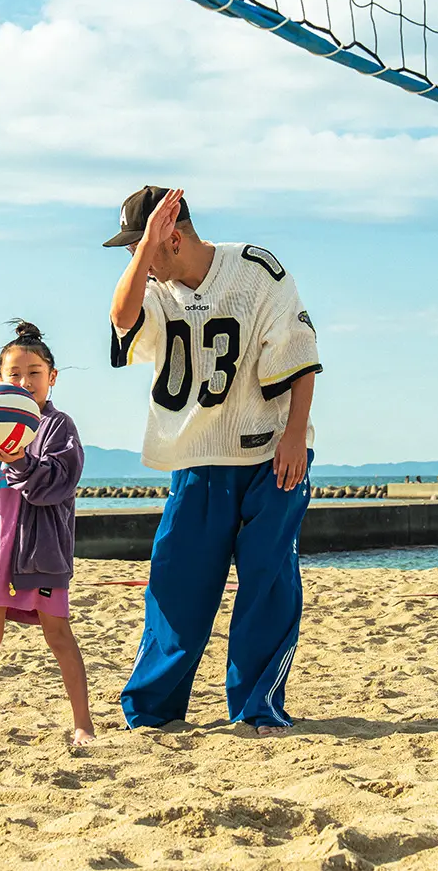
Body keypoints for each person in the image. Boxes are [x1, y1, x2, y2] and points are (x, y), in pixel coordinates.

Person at [105, 185, 321, 737]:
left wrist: (295, 435)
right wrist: (144, 251)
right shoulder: (151, 288)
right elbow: (121, 316)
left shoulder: (257, 271)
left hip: (271, 452)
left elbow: (300, 355)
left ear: (173, 238)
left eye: (143, 248)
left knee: (267, 584)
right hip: (197, 458)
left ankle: (257, 707)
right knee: (177, 583)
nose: (138, 261)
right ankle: (152, 711)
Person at [0, 321, 93, 746]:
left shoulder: (59, 427)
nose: (24, 382)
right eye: (14, 374)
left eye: (34, 373)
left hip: (40, 552)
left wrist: (20, 460)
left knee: (58, 634)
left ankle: (82, 723)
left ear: (52, 377)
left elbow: (56, 485)